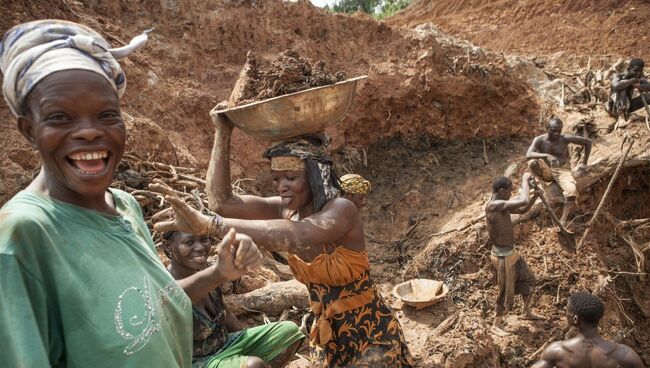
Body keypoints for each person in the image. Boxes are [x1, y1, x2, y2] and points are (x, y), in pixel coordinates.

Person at [0, 20, 197, 367]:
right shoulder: (22, 238)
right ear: (29, 130)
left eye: (107, 114)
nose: (90, 132)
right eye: (60, 117)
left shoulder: (126, 207)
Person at [151, 114, 413, 367]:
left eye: (291, 178)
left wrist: (211, 225)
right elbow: (222, 202)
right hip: (327, 338)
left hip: (371, 333)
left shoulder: (342, 209)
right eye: (276, 179)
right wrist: (223, 130)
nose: (281, 187)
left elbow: (298, 235)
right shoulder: (284, 210)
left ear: (314, 175)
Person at [163, 229, 303, 368]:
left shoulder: (206, 273)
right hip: (195, 363)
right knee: (253, 365)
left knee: (289, 332)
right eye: (189, 242)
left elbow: (227, 315)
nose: (200, 247)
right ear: (168, 247)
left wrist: (246, 344)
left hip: (226, 345)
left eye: (204, 239)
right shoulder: (164, 287)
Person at [485, 173, 544, 336]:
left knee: (530, 279)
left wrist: (534, 197)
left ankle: (526, 311)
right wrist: (525, 180)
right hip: (503, 256)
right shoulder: (493, 206)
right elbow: (523, 201)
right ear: (502, 191)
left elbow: (524, 207)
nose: (511, 194)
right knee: (505, 292)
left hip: (511, 253)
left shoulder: (501, 205)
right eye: (510, 191)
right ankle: (495, 325)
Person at [532, 292, 644, 368]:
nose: (566, 316)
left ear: (575, 319)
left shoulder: (558, 350)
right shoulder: (622, 353)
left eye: (567, 313)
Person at [526, 118, 592, 228]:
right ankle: (542, 183)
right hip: (546, 170)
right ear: (547, 128)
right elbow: (528, 154)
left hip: (562, 171)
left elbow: (588, 142)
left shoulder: (564, 139)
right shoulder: (539, 140)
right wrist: (546, 155)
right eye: (553, 130)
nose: (557, 134)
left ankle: (563, 219)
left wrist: (584, 163)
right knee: (532, 162)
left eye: (559, 131)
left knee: (571, 191)